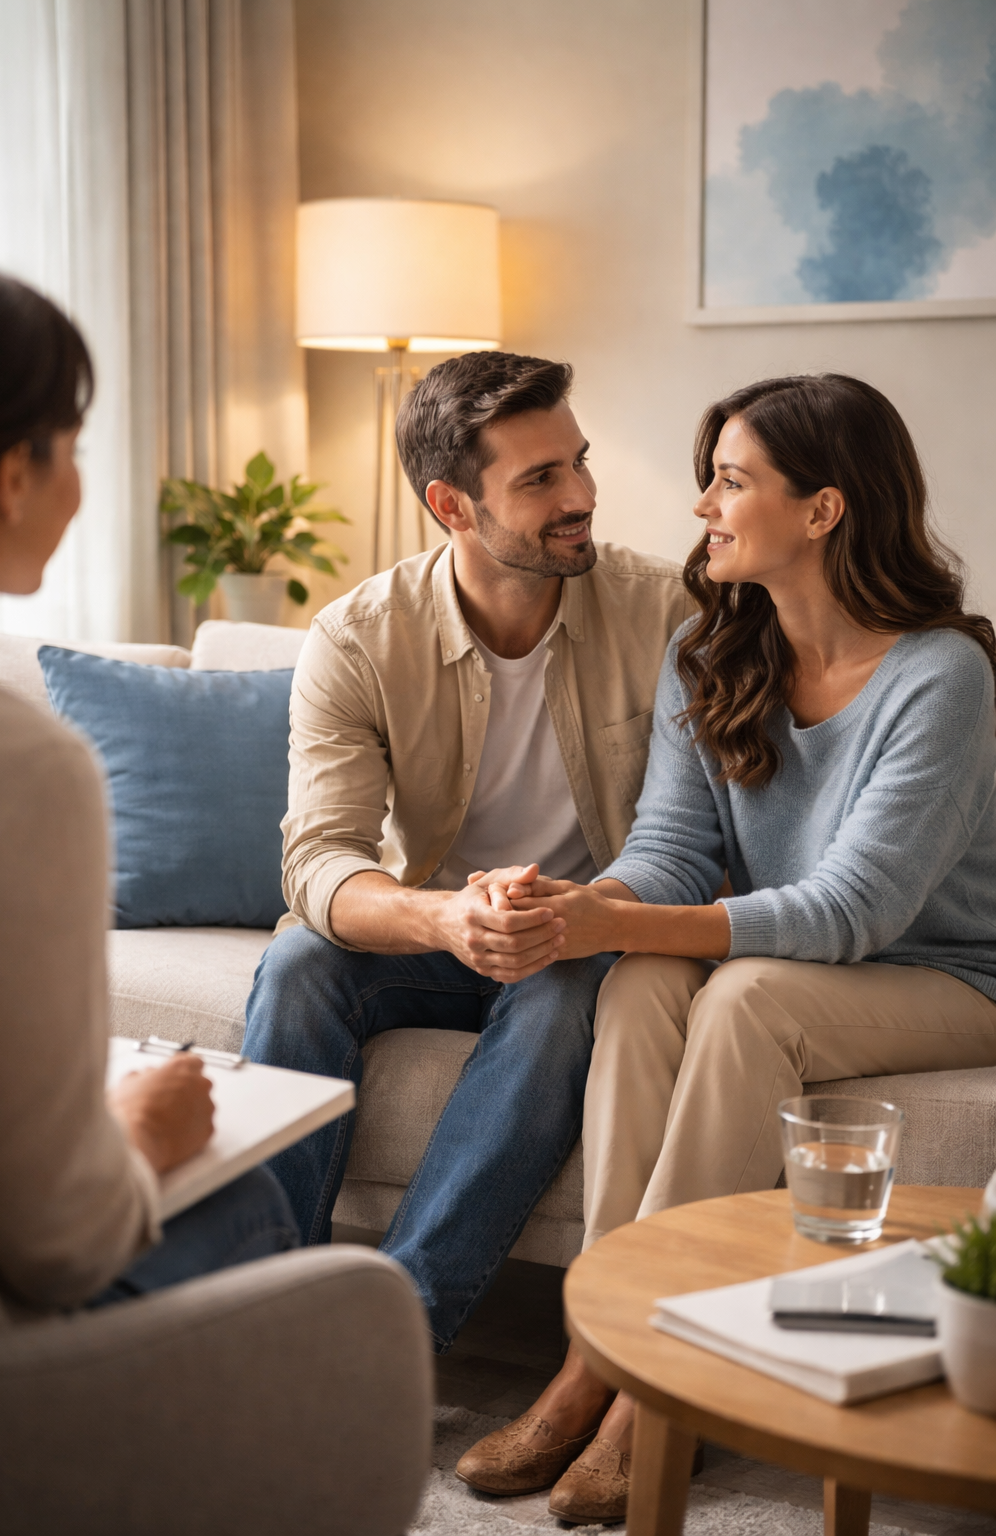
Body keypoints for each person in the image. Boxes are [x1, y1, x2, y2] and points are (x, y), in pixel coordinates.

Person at [457, 372, 996, 1524]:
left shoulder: (943, 676)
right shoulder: (711, 651)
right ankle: (596, 1349)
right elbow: (663, 853)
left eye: (731, 481)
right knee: (648, 973)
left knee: (745, 997)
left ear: (823, 511)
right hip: (800, 965)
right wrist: (575, 905)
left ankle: (647, 1392)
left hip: (949, 975)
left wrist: (618, 918)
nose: (702, 503)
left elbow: (855, 909)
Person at [242, 350, 691, 1352]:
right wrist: (446, 919)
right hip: (433, 929)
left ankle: (383, 1343)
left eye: (577, 461)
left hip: (590, 928)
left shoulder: (669, 614)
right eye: (540, 479)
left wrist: (572, 917)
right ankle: (251, 1319)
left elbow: (693, 837)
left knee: (561, 989)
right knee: (299, 963)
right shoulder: (357, 638)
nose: (579, 496)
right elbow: (318, 861)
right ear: (451, 505)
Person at [0, 261, 299, 1331]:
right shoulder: (18, 765)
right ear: (14, 474)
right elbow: (58, 1238)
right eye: (73, 445)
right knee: (251, 1208)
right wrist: (141, 1132)